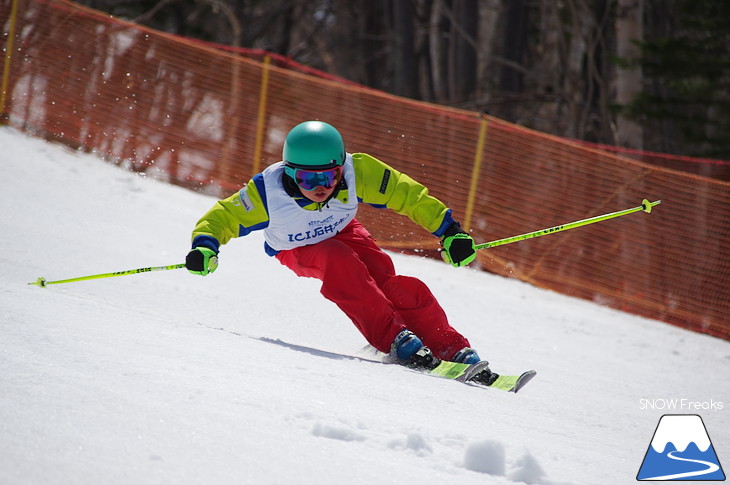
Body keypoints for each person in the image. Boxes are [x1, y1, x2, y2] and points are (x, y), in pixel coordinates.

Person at [186, 121, 490, 376]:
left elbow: (409, 195)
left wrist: (450, 232)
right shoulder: (268, 193)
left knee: (389, 284)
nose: (320, 186)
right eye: (306, 178)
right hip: (297, 247)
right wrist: (204, 247)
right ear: (290, 173)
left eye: (329, 176)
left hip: (344, 230)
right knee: (340, 261)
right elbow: (223, 217)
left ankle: (450, 346)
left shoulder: (359, 171)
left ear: (340, 169)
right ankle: (394, 338)